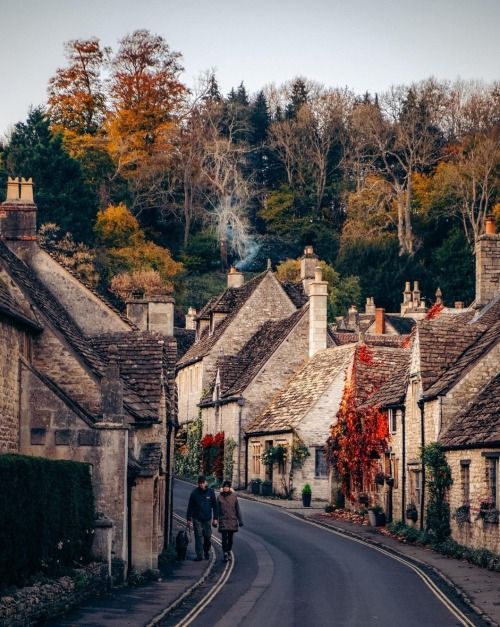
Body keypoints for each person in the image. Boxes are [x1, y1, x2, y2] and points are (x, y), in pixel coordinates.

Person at [186, 476, 218, 561]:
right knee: (198, 536)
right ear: (198, 484)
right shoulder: (194, 493)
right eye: (200, 483)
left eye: (203, 483)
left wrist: (215, 518)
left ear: (206, 483)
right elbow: (190, 506)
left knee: (208, 536)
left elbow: (215, 506)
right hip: (197, 518)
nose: (201, 485)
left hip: (207, 518)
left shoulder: (211, 492)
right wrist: (188, 518)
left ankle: (206, 550)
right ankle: (199, 555)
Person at [217, 480, 243, 561]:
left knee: (230, 539)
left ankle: (228, 551)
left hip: (232, 520)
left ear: (229, 488)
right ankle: (225, 552)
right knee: (224, 538)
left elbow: (237, 509)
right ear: (222, 487)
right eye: (224, 487)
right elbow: (217, 509)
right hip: (223, 520)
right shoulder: (219, 497)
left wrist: (240, 520)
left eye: (227, 487)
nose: (225, 488)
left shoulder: (234, 496)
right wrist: (215, 519)